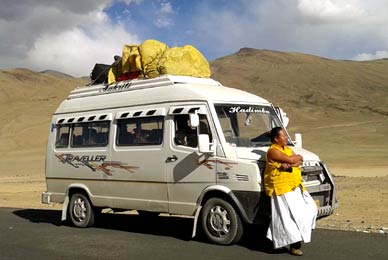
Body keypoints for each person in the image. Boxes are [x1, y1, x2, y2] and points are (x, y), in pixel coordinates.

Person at [264, 127, 317, 256]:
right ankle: (294, 246)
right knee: (287, 218)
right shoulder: (273, 151)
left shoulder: (287, 149)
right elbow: (294, 159)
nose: (286, 138)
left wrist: (292, 162)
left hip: (294, 186)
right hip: (282, 188)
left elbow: (299, 159)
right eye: (284, 136)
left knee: (310, 209)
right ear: (276, 138)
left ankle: (284, 241)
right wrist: (293, 160)